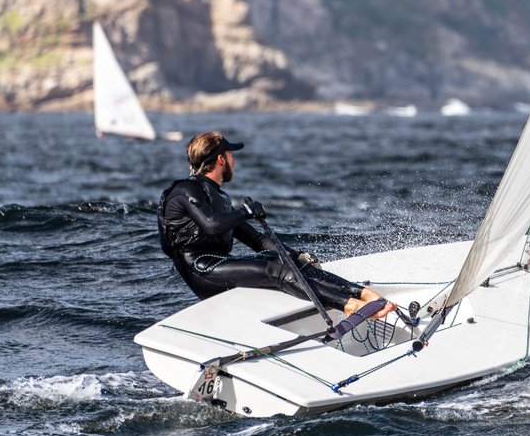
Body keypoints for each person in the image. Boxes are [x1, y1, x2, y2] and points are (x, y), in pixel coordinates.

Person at [158, 130, 397, 321]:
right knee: (276, 271)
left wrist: (295, 255)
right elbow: (211, 225)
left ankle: (361, 293)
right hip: (201, 270)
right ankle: (350, 306)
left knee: (287, 263)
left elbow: (258, 241)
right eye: (231, 155)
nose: (233, 160)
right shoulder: (185, 190)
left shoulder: (221, 198)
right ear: (221, 159)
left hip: (220, 266)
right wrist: (246, 211)